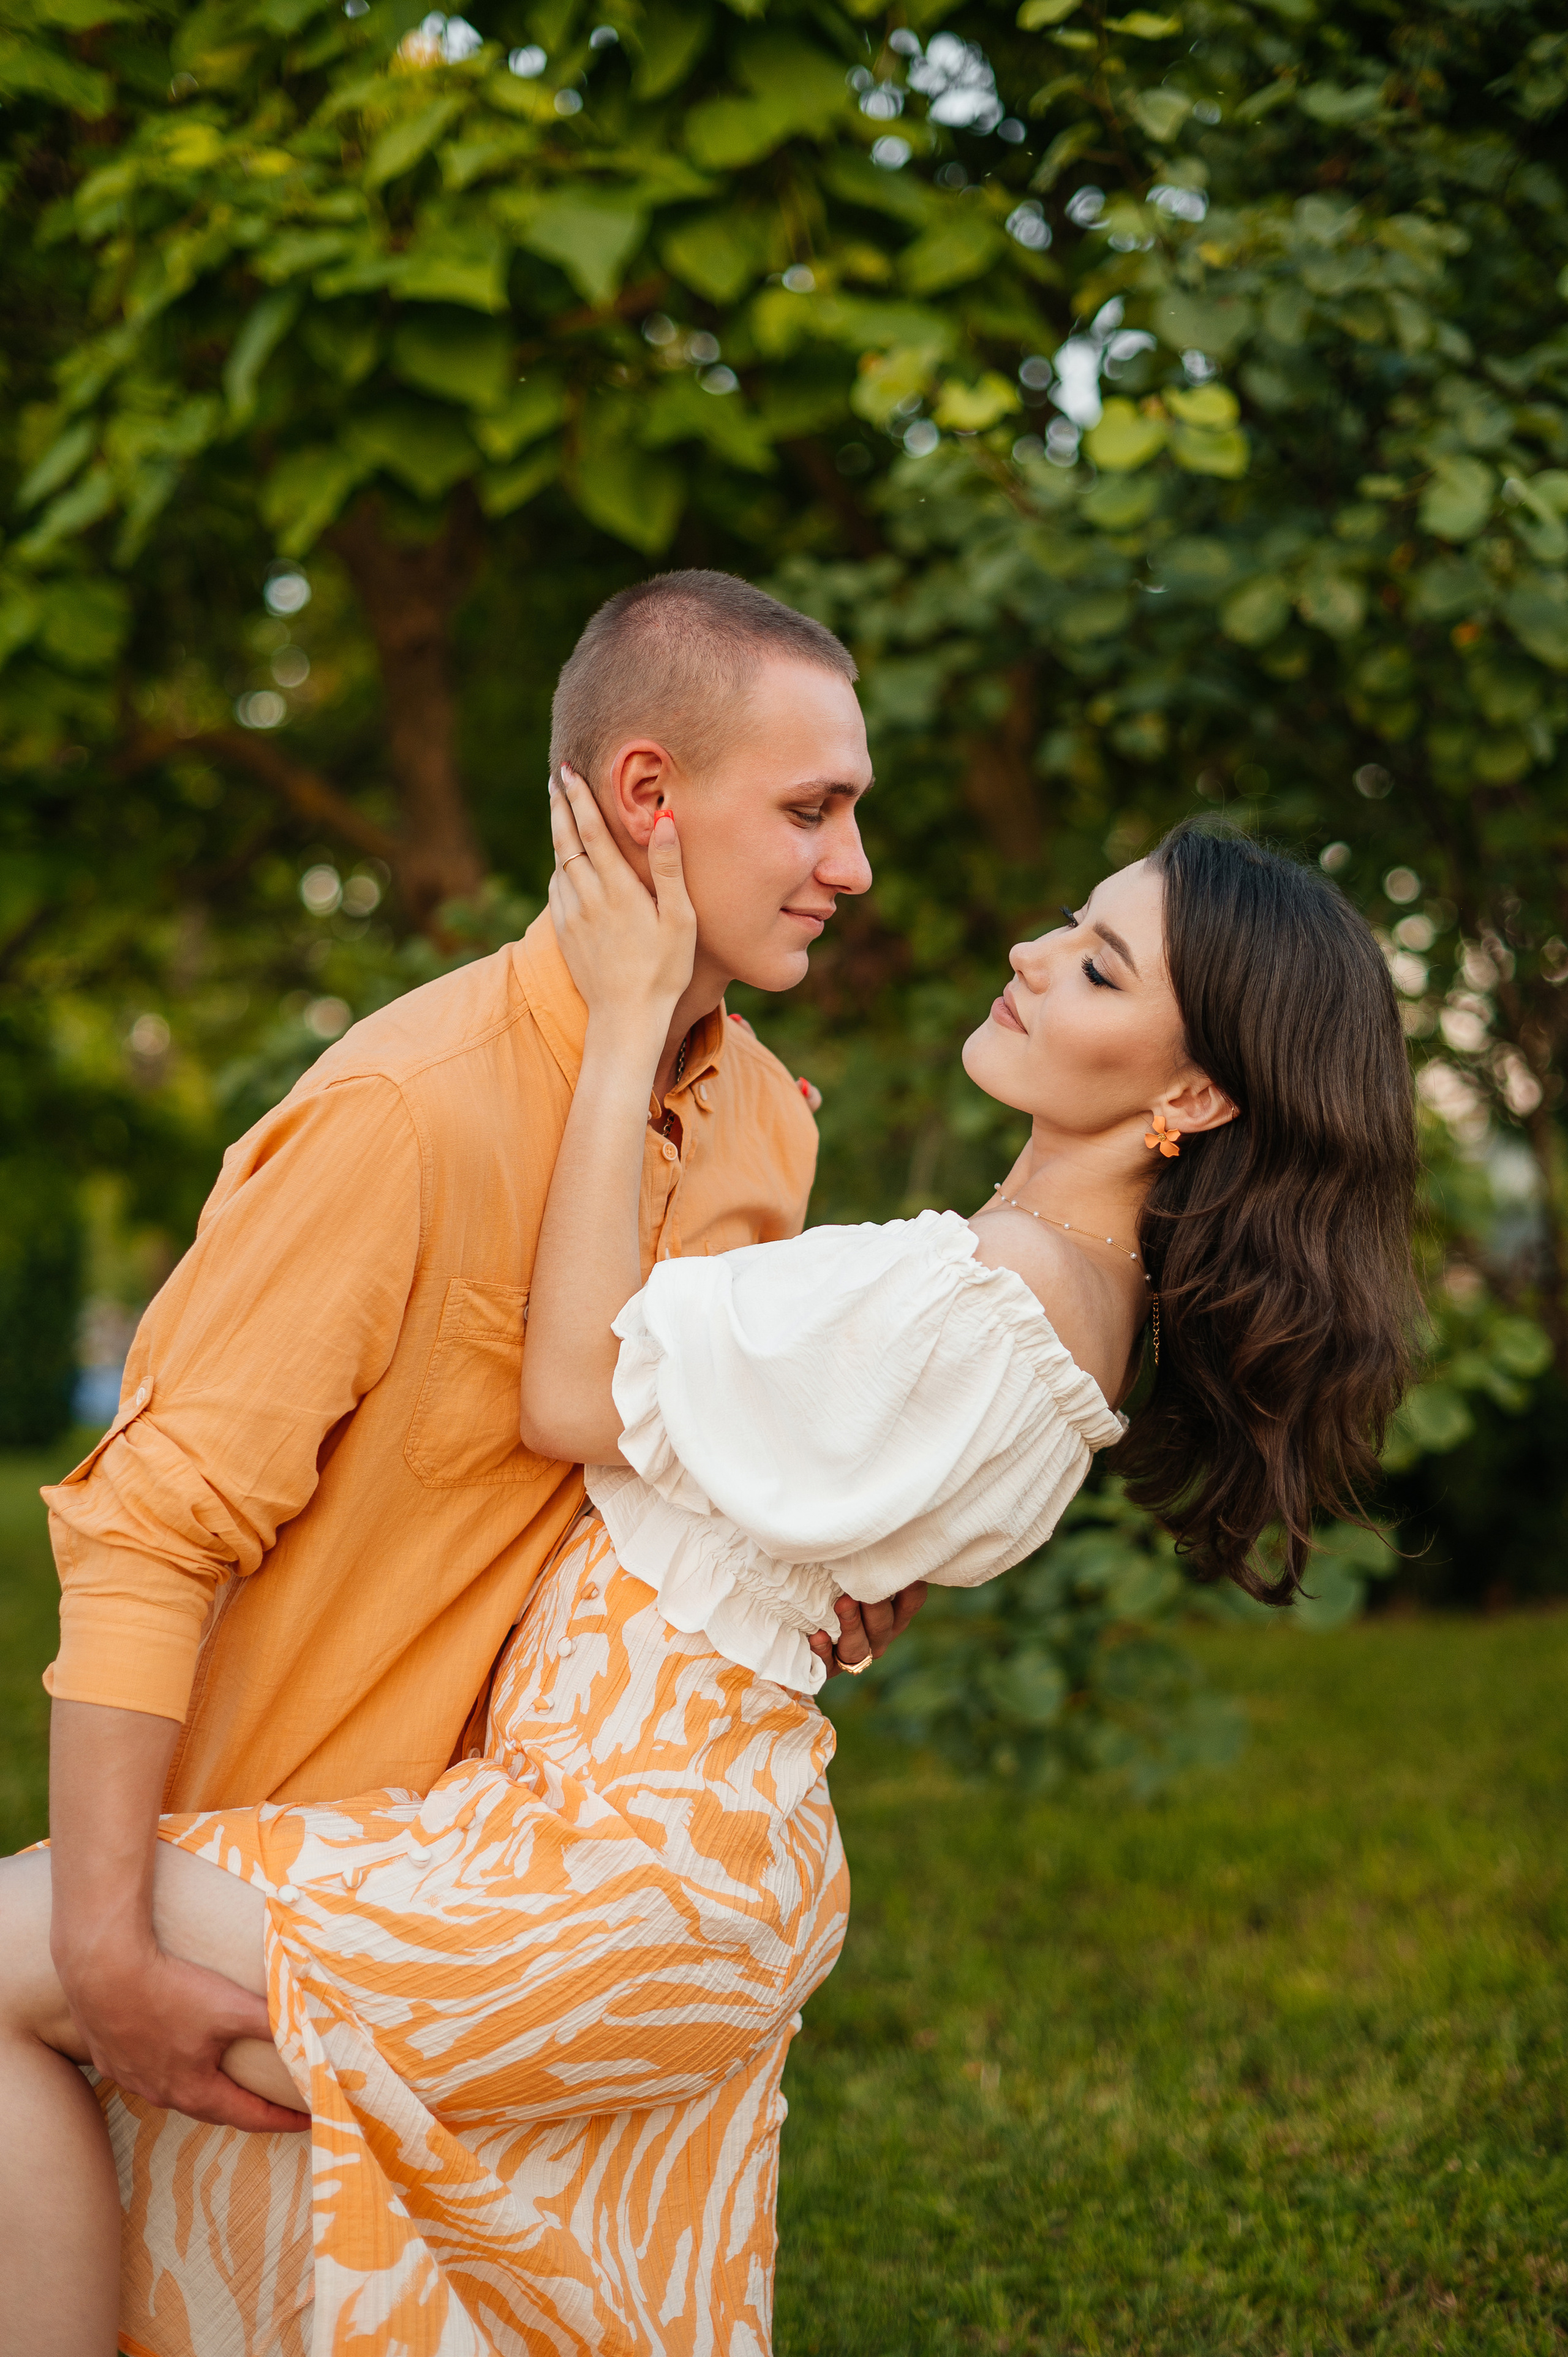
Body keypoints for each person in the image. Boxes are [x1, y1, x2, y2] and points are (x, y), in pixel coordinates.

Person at [0, 780, 1418, 2352]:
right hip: (665, 1849)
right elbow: (825, 1528)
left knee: (33, 1962)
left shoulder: (979, 1288)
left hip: (607, 1861)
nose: (1025, 954)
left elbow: (570, 1395)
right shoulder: (1066, 1308)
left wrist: (619, 1031)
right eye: (1067, 925)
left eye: (1094, 966)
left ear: (1198, 1095)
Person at [0, 570, 929, 2357]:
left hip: (541, 1871)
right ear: (649, 801)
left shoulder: (763, 1127)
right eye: (814, 808)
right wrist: (107, 1947)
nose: (855, 864)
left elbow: (668, 1477)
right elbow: (149, 1536)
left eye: (856, 811)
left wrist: (814, 1552)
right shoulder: (403, 1110)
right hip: (283, 1839)